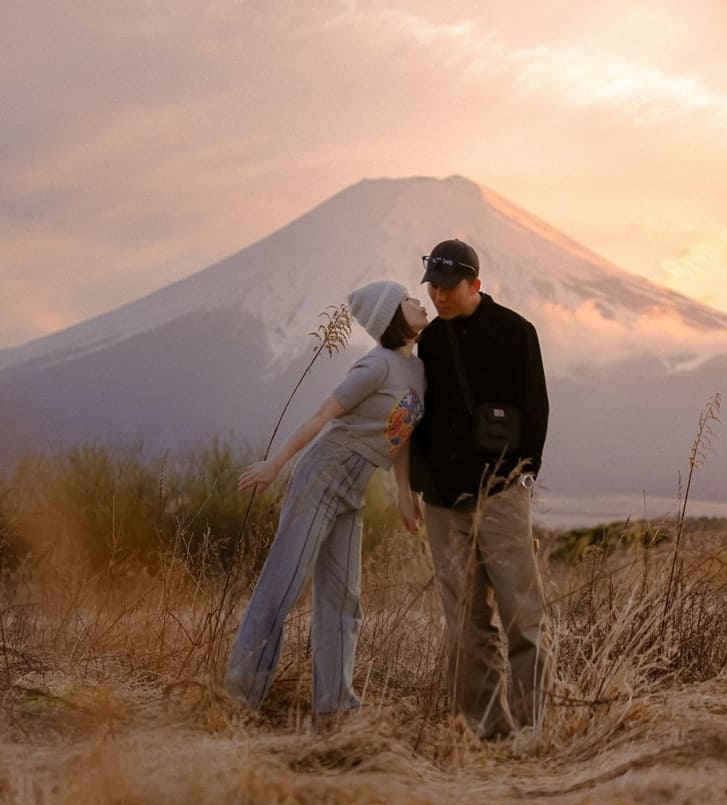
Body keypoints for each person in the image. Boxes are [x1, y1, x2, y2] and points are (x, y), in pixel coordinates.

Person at [225, 281, 427, 718]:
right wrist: (274, 465)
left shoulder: (418, 371)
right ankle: (239, 698)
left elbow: (401, 437)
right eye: (409, 299)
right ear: (392, 315)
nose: (420, 302)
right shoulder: (375, 366)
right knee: (283, 585)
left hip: (353, 489)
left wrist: (404, 498)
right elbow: (323, 415)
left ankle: (335, 709)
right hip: (321, 476)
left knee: (343, 599)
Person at [405, 239, 552, 739]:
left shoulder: (516, 333)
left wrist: (523, 476)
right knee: (465, 624)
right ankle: (486, 731)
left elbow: (536, 409)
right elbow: (417, 419)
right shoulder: (430, 343)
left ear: (476, 285)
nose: (439, 297)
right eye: (432, 287)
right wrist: (413, 488)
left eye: (448, 287)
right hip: (444, 503)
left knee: (521, 617)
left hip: (502, 494)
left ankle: (534, 728)